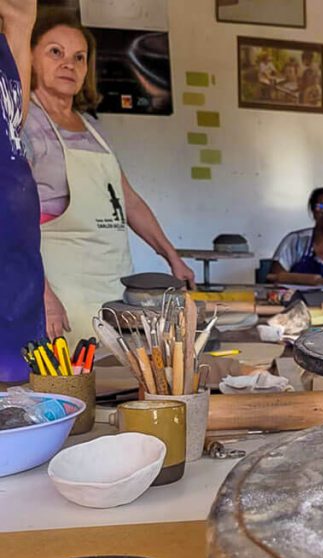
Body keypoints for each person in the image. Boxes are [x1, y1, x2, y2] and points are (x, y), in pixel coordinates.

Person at [24, 11, 193, 342]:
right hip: (60, 294)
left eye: (79, 57)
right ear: (30, 57)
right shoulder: (26, 125)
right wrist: (42, 297)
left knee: (113, 378)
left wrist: (172, 256)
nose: (68, 64)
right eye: (55, 52)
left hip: (112, 286)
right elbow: (12, 220)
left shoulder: (91, 127)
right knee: (70, 385)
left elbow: (128, 201)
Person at [0, 0, 44, 383]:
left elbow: (14, 120)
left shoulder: (9, 35)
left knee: (21, 396)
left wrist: (21, 21)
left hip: (17, 264)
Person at [271, 187, 323, 284]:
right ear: (313, 212)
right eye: (321, 207)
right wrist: (311, 280)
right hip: (296, 298)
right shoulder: (296, 241)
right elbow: (275, 276)